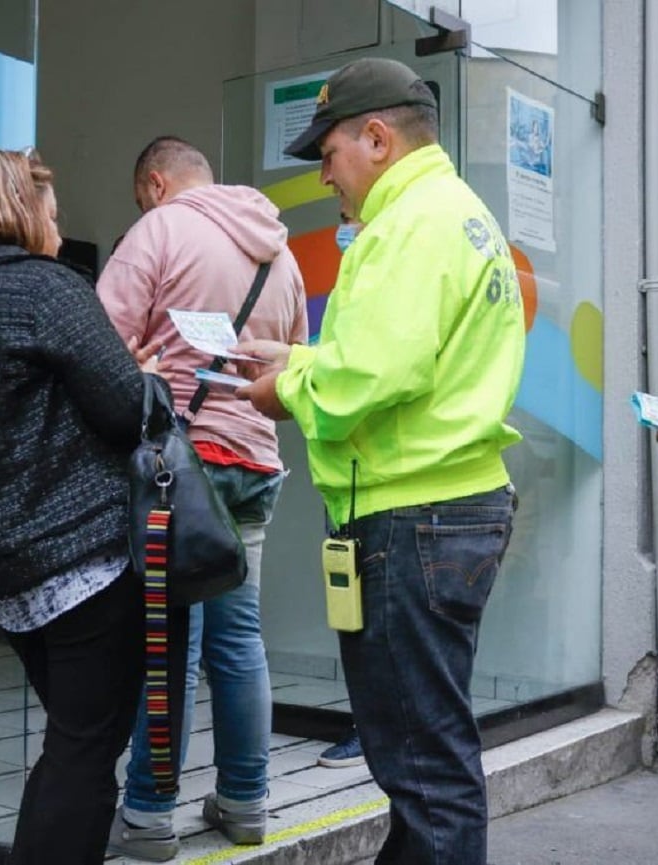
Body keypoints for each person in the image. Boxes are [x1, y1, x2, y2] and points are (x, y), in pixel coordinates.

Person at [236, 58, 525, 864]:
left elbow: (374, 373)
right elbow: (392, 357)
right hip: (442, 508)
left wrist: (285, 380)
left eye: (328, 153)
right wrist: (299, 359)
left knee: (422, 763)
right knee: (421, 745)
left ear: (376, 136)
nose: (324, 175)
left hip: (414, 516)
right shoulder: (453, 213)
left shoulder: (411, 223)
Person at [0, 147, 158, 864]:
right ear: (23, 212)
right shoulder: (46, 289)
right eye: (52, 212)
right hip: (86, 564)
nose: (58, 225)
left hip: (8, 575)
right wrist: (140, 373)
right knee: (85, 754)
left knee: (72, 743)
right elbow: (122, 412)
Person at [95, 136, 307, 860]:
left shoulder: (160, 229)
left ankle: (151, 814)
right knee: (239, 638)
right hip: (253, 464)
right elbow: (293, 370)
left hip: (177, 472)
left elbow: (100, 347)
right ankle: (246, 801)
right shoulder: (282, 250)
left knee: (169, 647)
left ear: (156, 185)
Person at [316, 207, 365, 772]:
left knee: (368, 618)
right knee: (350, 609)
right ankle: (368, 723)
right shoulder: (351, 281)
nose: (345, 227)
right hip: (347, 483)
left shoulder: (381, 277)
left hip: (376, 487)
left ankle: (367, 727)